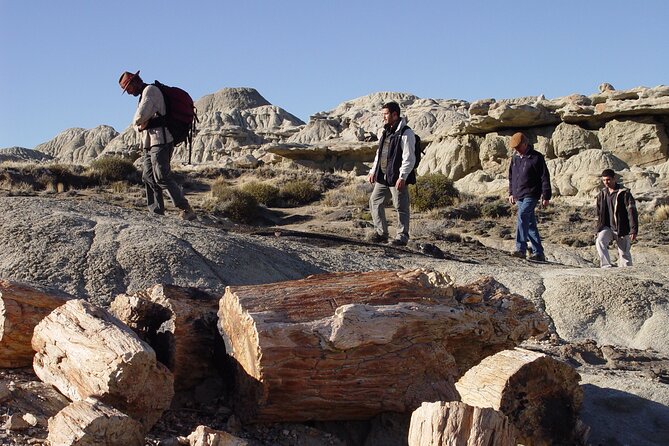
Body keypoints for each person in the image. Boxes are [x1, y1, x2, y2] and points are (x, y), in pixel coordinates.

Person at [118, 70, 196, 220]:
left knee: (161, 175)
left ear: (135, 82)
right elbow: (139, 123)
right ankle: (155, 212)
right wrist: (139, 125)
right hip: (149, 142)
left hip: (161, 140)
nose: (128, 92)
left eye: (128, 88)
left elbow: (139, 118)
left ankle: (186, 208)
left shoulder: (150, 91)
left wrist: (138, 124)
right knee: (148, 176)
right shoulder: (143, 95)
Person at [367, 101, 416, 246]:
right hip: (383, 176)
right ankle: (381, 233)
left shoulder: (406, 133)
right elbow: (379, 154)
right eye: (383, 114)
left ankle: (402, 236)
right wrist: (373, 171)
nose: (384, 117)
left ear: (395, 115)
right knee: (375, 201)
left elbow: (409, 157)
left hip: (396, 177)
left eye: (386, 114)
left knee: (401, 206)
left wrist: (403, 177)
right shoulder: (386, 132)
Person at [507, 132, 551, 261]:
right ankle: (539, 253)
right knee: (530, 223)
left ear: (525, 144)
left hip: (532, 194)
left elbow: (544, 177)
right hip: (518, 194)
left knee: (522, 215)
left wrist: (546, 195)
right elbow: (512, 177)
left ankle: (520, 249)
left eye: (518, 147)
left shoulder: (536, 157)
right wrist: (511, 193)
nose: (516, 150)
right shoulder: (515, 159)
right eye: (514, 148)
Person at [595, 169, 638, 267]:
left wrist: (633, 230)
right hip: (607, 227)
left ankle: (629, 274)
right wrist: (598, 228)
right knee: (600, 241)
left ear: (614, 178)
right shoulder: (602, 194)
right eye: (604, 180)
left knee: (624, 255)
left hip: (621, 228)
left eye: (608, 180)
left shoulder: (624, 193)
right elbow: (598, 213)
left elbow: (632, 212)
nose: (606, 182)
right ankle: (606, 266)